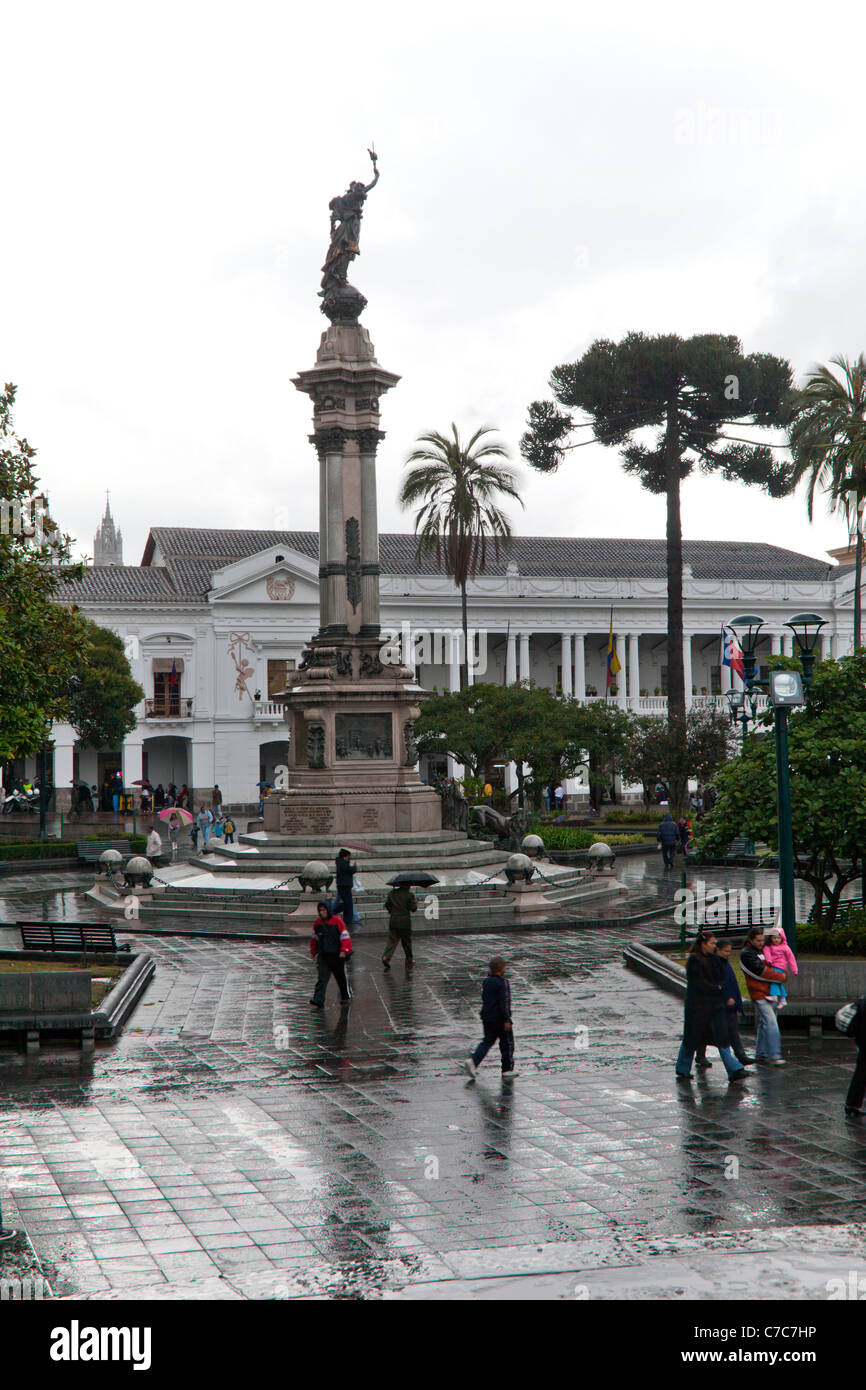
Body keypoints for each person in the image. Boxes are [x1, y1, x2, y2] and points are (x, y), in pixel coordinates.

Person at [676, 931, 748, 1082]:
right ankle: (682, 1069)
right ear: (703, 944)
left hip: (715, 1006)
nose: (714, 946)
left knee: (722, 1037)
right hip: (698, 1008)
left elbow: (722, 977)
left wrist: (721, 990)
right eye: (711, 943)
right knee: (691, 1038)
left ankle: (734, 1069)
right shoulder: (694, 961)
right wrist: (717, 989)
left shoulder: (714, 959)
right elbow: (699, 983)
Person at [464, 955, 517, 1081]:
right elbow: (504, 1003)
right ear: (501, 969)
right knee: (507, 1043)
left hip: (487, 1017)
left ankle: (473, 1061)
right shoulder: (503, 983)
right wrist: (507, 1019)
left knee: (487, 1041)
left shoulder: (486, 981)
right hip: (500, 1018)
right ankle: (507, 1069)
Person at [740, 926, 787, 1066]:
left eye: (762, 939)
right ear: (751, 940)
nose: (761, 942)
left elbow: (777, 931)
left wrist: (768, 931)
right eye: (758, 940)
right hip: (759, 992)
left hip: (770, 991)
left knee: (765, 1023)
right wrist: (781, 977)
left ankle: (761, 1053)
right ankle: (775, 1054)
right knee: (771, 1022)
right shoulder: (747, 953)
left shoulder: (763, 949)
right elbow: (760, 972)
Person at [716, 938, 754, 1066]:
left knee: (732, 1031)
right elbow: (720, 984)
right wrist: (727, 998)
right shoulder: (717, 964)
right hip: (724, 1003)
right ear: (718, 950)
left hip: (730, 1002)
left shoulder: (724, 962)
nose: (728, 954)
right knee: (730, 1032)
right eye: (725, 951)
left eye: (729, 951)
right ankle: (740, 1057)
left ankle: (741, 1056)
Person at [309, 902, 352, 1008]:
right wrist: (314, 951)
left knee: (340, 977)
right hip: (323, 954)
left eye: (324, 910)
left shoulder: (337, 921)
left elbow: (344, 936)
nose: (322, 912)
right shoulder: (318, 924)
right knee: (322, 978)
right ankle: (318, 999)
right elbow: (314, 938)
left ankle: (345, 996)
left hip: (336, 954)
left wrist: (344, 950)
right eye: (320, 910)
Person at [382, 881, 417, 969]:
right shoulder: (409, 895)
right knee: (406, 941)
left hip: (393, 920)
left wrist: (392, 912)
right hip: (405, 922)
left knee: (392, 940)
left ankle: (386, 957)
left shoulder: (392, 894)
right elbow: (413, 909)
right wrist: (415, 903)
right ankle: (409, 959)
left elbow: (387, 905)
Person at [763, 924, 797, 1011]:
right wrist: (769, 960)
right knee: (778, 982)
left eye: (778, 938)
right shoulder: (768, 946)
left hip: (780, 967)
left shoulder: (785, 947)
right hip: (772, 965)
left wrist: (794, 969)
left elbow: (791, 958)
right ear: (771, 938)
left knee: (774, 979)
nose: (776, 940)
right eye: (774, 938)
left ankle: (774, 995)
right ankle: (783, 998)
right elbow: (767, 953)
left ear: (782, 938)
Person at [843, 995, 866, 1117]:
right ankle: (852, 1105)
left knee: (861, 1073)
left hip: (862, 1040)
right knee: (861, 1073)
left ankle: (852, 1105)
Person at [335, 848, 357, 928]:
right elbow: (350, 870)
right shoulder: (342, 863)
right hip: (344, 886)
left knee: (348, 903)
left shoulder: (342, 862)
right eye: (349, 856)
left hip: (344, 885)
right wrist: (354, 867)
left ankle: (347, 920)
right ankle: (334, 911)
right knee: (347, 903)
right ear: (345, 856)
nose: (349, 857)